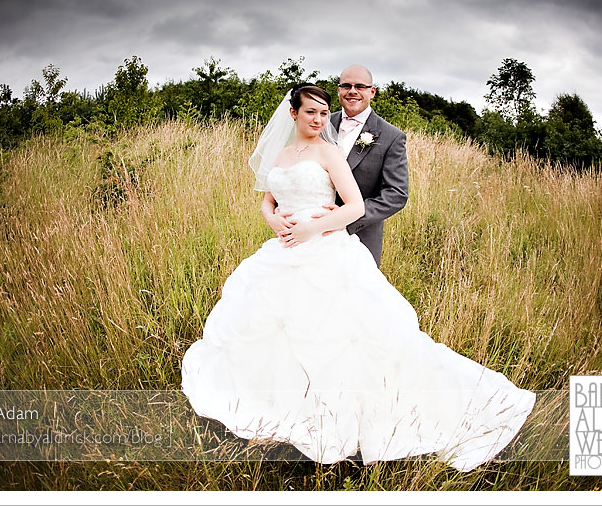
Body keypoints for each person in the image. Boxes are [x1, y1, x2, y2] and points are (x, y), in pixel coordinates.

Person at [180, 83, 536, 471]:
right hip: (283, 252)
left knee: (342, 336)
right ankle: (284, 404)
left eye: (322, 112)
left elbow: (353, 207)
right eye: (310, 112)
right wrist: (272, 218)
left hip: (325, 250)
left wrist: (310, 230)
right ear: (293, 114)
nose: (319, 119)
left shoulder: (329, 152)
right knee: (276, 329)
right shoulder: (280, 154)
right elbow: (268, 199)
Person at [262, 65, 408, 267]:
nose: (352, 91)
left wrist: (340, 219)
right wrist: (274, 215)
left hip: (357, 234)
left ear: (372, 91)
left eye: (360, 86)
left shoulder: (391, 136)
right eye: (346, 85)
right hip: (293, 237)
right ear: (338, 89)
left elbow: (396, 194)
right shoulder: (320, 121)